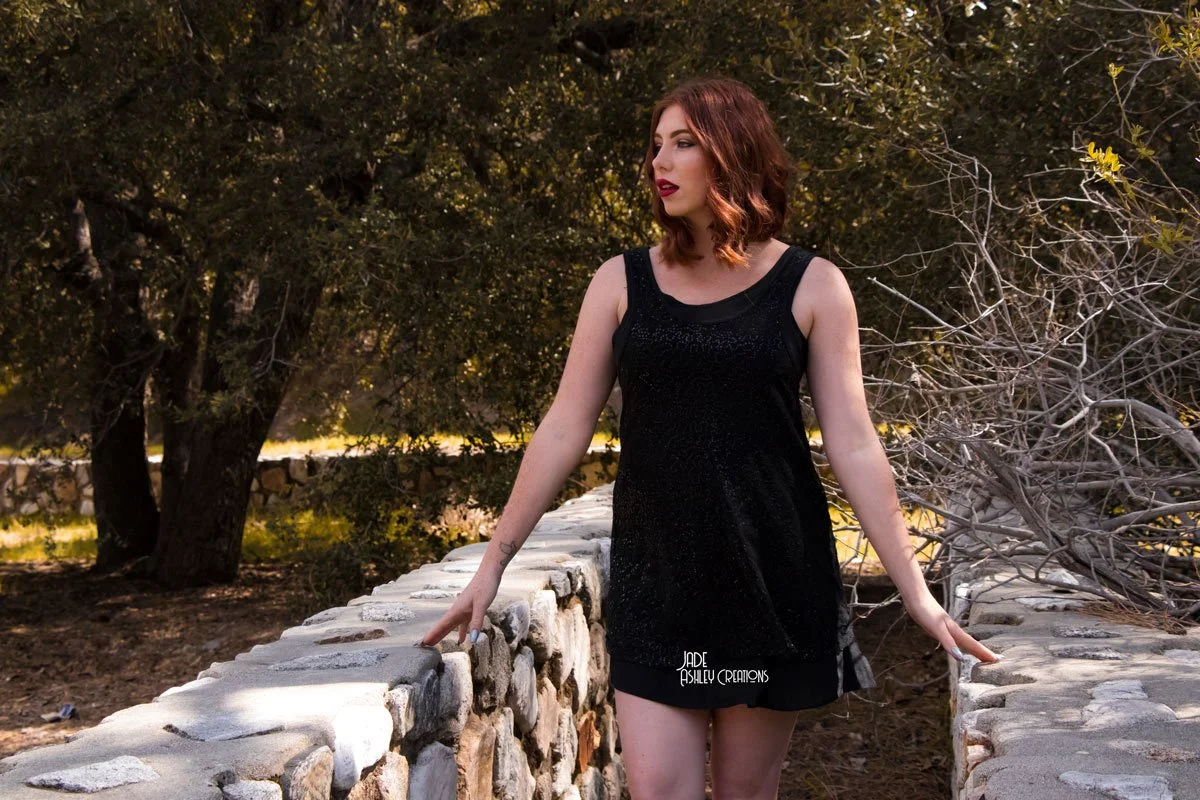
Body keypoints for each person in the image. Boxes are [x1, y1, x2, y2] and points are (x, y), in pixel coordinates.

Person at [416, 75, 1001, 800]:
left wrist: (916, 591)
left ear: (732, 153)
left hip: (770, 581)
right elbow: (564, 428)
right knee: (660, 791)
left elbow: (854, 445)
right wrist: (491, 564)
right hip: (659, 584)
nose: (660, 162)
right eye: (656, 146)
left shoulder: (813, 285)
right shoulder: (619, 283)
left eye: (683, 143)